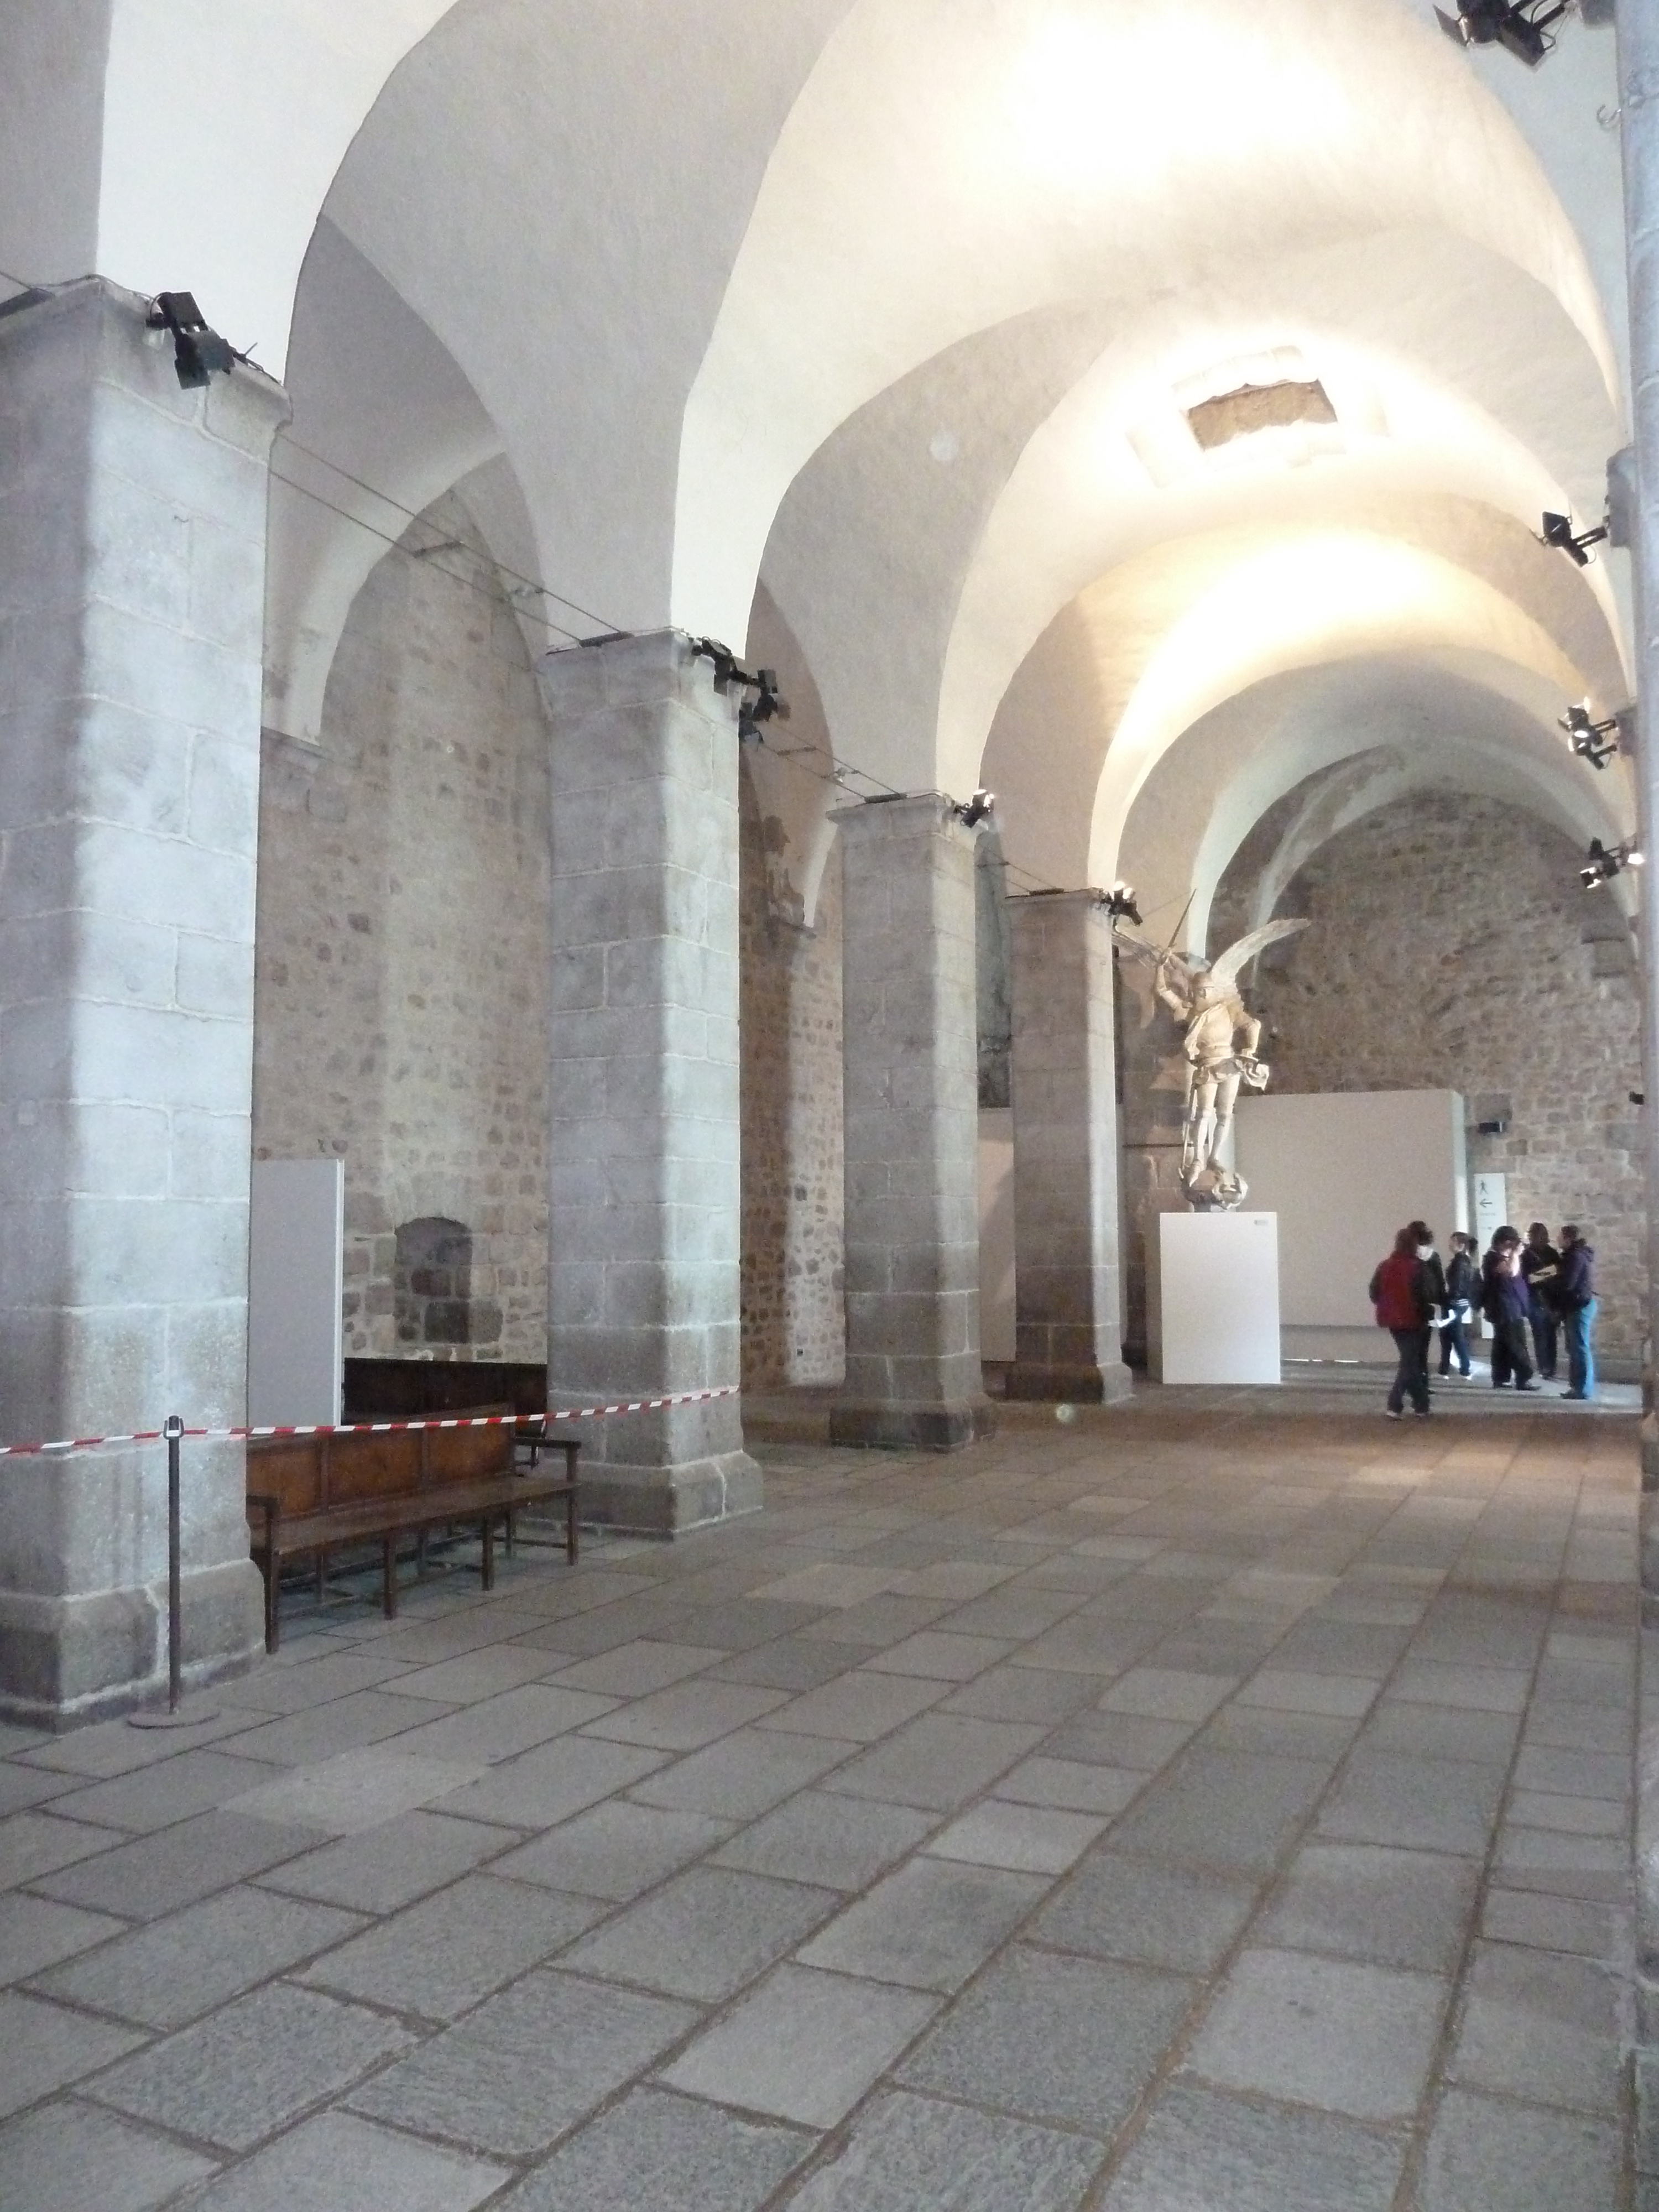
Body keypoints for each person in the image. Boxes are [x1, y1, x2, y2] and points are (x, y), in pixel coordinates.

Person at [1369, 1225, 1436, 1418]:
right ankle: (1394, 1404)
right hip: (1414, 1319)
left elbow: (1374, 1292)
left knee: (1410, 1361)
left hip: (1391, 1319)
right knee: (1409, 1362)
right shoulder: (1418, 1267)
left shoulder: (1384, 1266)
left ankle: (1422, 1405)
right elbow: (1427, 1294)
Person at [1481, 1225, 1538, 1391]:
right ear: (1504, 1242)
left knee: (1502, 1345)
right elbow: (1511, 1272)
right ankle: (1524, 1377)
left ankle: (1501, 1378)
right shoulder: (1492, 1258)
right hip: (1504, 1308)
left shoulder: (1504, 1256)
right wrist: (1515, 1254)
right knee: (1516, 1344)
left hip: (1511, 1307)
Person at [1556, 1224, 1597, 1400]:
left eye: (1560, 1236)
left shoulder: (1575, 1256)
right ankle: (1577, 1387)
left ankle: (1583, 1389)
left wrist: (1549, 1284)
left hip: (1579, 1305)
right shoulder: (1574, 1255)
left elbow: (1567, 1284)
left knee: (1580, 1348)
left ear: (1568, 1238)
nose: (1557, 1239)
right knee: (1575, 1348)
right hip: (1577, 1305)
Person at [1519, 1221, 1560, 1382]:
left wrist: (1542, 1276)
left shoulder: (1552, 1253)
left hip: (1551, 1299)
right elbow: (1527, 1278)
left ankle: (1551, 1366)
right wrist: (1548, 1274)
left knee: (1551, 1336)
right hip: (1535, 1299)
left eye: (1535, 1234)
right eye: (1531, 1235)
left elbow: (1559, 1272)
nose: (1533, 1237)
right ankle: (1544, 1367)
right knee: (1540, 1335)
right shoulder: (1526, 1254)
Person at [1438, 1230, 1479, 1380]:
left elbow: (1458, 1284)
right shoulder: (1463, 1261)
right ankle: (1446, 1367)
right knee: (1449, 1334)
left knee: (1455, 1335)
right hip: (1459, 1302)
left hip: (1455, 1302)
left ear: (1461, 1245)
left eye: (1453, 1242)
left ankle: (1464, 1367)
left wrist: (1451, 1299)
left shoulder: (1460, 1262)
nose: (1450, 1244)